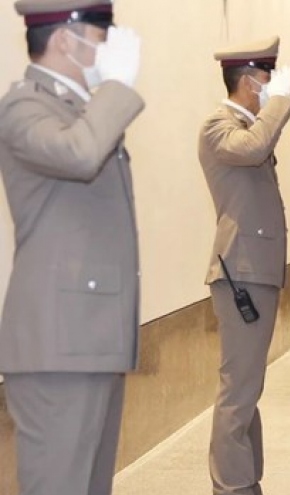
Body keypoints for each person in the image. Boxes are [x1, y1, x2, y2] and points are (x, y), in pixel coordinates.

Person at [0, 2, 143, 494]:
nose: (109, 46)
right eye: (101, 34)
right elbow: (79, 154)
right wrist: (117, 88)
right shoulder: (23, 106)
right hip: (57, 344)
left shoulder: (79, 109)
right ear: (65, 39)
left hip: (89, 339)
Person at [199, 36, 290, 495]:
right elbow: (254, 148)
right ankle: (232, 486)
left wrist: (270, 106)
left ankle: (245, 478)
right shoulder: (219, 126)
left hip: (255, 269)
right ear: (248, 81)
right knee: (238, 388)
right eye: (267, 77)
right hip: (241, 271)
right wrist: (278, 104)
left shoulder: (246, 125)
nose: (272, 84)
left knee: (248, 385)